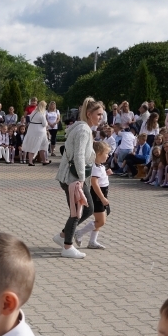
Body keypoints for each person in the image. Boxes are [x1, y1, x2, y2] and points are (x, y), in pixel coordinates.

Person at [53, 97, 102, 259]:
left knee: (86, 209)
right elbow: (79, 155)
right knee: (77, 212)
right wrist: (81, 178)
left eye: (101, 114)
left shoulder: (83, 128)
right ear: (89, 114)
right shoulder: (83, 130)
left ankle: (63, 236)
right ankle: (67, 246)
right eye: (98, 114)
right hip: (73, 177)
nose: (101, 117)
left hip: (73, 176)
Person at [72, 141, 111, 249]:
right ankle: (79, 233)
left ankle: (92, 241)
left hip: (102, 193)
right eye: (106, 153)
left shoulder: (100, 166)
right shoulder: (95, 167)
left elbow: (100, 179)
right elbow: (94, 183)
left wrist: (106, 174)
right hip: (97, 196)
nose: (108, 156)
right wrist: (102, 198)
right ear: (98, 154)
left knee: (101, 219)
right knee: (101, 221)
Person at [21, 101, 50, 166]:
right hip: (40, 132)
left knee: (32, 145)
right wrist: (47, 123)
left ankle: (31, 161)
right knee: (42, 146)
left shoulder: (34, 111)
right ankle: (43, 160)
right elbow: (44, 124)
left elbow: (29, 118)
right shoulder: (42, 113)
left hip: (31, 129)